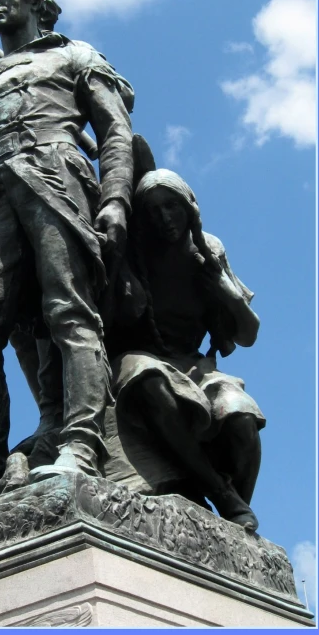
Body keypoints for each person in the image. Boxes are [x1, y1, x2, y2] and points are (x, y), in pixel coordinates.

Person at [0, 0, 134, 500]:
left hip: (57, 182)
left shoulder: (75, 56)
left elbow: (116, 130)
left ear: (34, 0)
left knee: (68, 310)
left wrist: (116, 198)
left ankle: (81, 444)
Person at [103, 168, 265, 530]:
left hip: (196, 364)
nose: (165, 218)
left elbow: (249, 334)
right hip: (140, 356)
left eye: (172, 206)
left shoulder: (209, 250)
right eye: (154, 210)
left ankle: (230, 517)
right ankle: (218, 492)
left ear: (188, 207)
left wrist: (228, 294)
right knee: (146, 378)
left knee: (240, 416)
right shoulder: (132, 254)